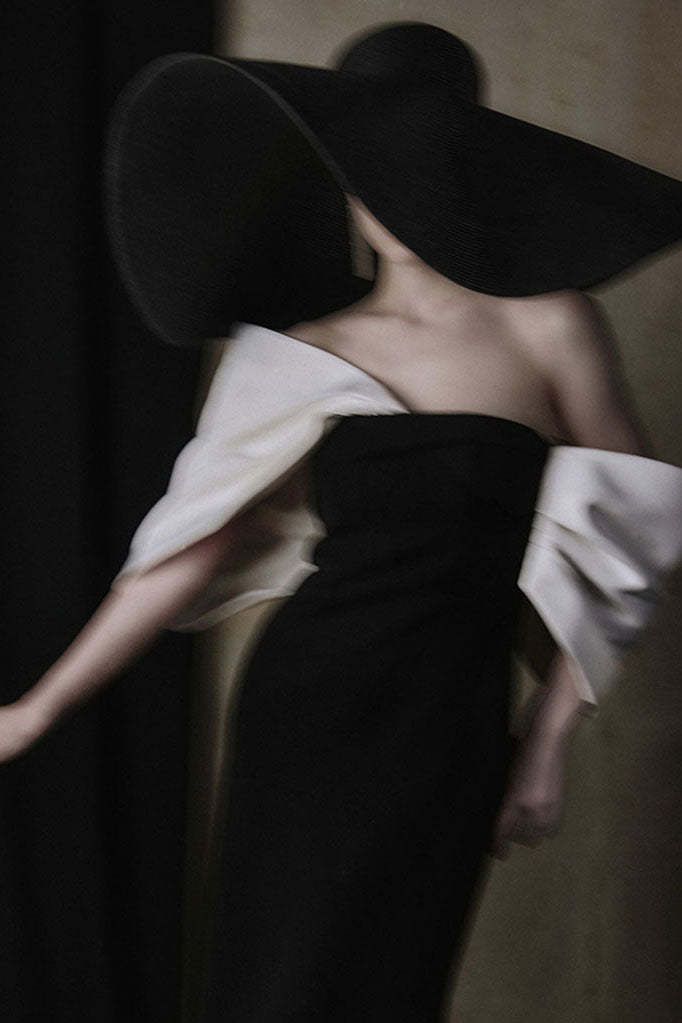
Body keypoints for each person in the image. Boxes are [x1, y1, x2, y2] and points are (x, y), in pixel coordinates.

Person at [2, 20, 681, 1022]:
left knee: (386, 982)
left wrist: (545, 742)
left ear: (468, 167)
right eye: (367, 171)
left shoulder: (550, 325)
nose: (389, 198)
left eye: (417, 165)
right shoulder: (298, 351)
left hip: (448, 716)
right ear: (341, 186)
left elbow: (632, 532)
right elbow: (189, 550)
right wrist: (37, 709)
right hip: (307, 703)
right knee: (273, 983)